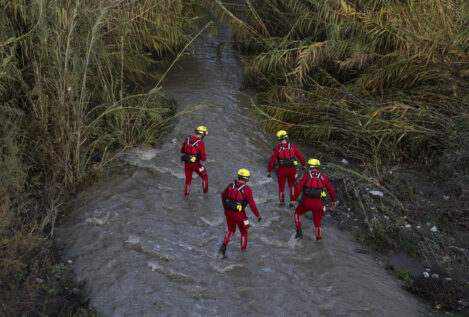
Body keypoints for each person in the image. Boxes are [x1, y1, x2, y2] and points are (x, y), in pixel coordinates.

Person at [218, 169, 262, 257]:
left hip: (229, 212)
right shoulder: (247, 189)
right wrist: (258, 216)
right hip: (240, 215)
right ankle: (243, 254)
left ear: (238, 176)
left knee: (231, 230)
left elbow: (223, 195)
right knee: (244, 232)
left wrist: (225, 209)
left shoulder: (231, 185)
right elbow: (252, 205)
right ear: (246, 179)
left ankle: (223, 246)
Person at [291, 159, 337, 241]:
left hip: (306, 203)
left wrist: (294, 200)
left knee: (297, 213)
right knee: (317, 223)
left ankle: (299, 232)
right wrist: (333, 202)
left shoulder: (306, 176)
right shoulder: (323, 177)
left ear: (309, 166)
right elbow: (331, 190)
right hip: (318, 205)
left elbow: (298, 188)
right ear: (318, 167)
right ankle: (319, 241)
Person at [267, 130, 306, 208]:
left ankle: (282, 203)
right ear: (286, 137)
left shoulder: (277, 149)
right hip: (292, 170)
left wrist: (269, 171)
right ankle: (292, 202)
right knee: (291, 185)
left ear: (279, 138)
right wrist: (303, 166)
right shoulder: (293, 147)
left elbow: (272, 161)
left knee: (281, 188)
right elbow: (301, 158)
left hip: (282, 171)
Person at [180, 126, 208, 197]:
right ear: (202, 134)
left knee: (188, 182)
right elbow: (204, 158)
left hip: (186, 163)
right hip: (195, 164)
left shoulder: (188, 139)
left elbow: (182, 151)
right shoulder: (201, 143)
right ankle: (206, 195)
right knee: (205, 177)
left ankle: (186, 196)